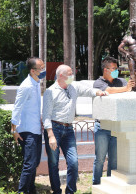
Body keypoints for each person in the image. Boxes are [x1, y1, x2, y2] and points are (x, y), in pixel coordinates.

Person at [42, 64, 107, 194]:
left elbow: (88, 91)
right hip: (54, 129)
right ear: (61, 75)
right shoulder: (50, 91)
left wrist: (98, 92)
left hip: (69, 129)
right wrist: (50, 135)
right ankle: (56, 191)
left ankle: (70, 191)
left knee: (73, 162)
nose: (73, 76)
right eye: (70, 73)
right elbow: (46, 115)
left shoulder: (73, 87)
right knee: (54, 163)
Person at [92, 57, 135, 185]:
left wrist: (131, 86)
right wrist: (125, 88)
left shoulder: (120, 81)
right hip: (102, 127)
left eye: (117, 69)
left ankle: (111, 185)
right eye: (114, 69)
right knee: (100, 159)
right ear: (105, 70)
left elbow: (128, 93)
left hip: (117, 127)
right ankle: (97, 184)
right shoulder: (98, 83)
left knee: (114, 160)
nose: (117, 71)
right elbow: (108, 91)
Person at [11, 57, 46, 194]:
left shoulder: (36, 83)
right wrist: (14, 130)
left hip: (36, 130)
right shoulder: (26, 86)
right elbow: (17, 108)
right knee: (29, 164)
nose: (43, 70)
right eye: (41, 68)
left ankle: (31, 190)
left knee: (35, 163)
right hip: (27, 131)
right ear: (33, 70)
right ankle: (22, 191)